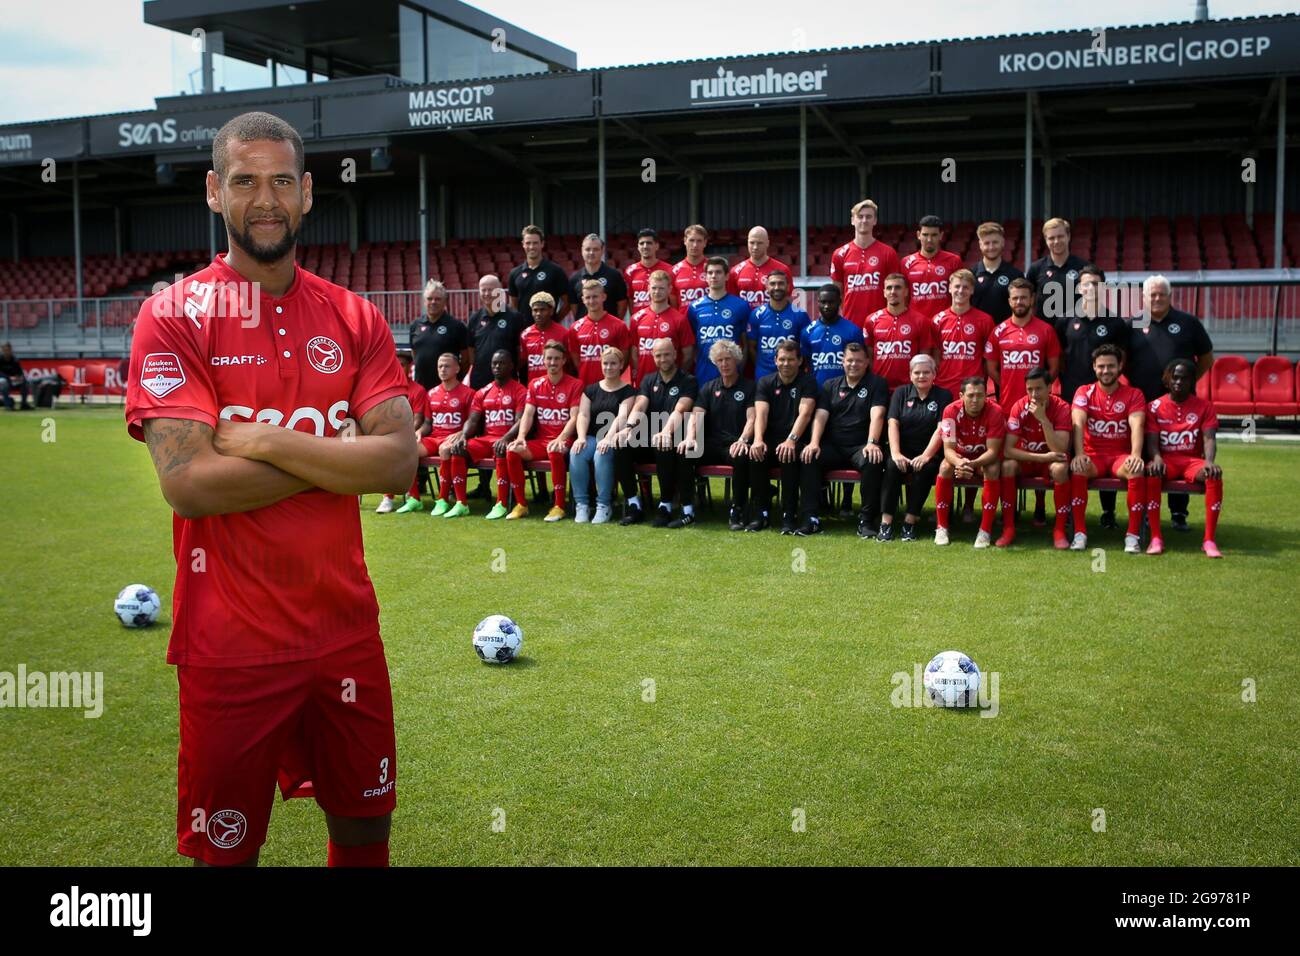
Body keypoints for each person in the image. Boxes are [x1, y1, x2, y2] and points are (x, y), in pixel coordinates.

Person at [125, 111, 412, 867]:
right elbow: (190, 484)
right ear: (214, 192)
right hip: (229, 646)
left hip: (346, 633)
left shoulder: (354, 316)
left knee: (363, 831)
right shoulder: (172, 316)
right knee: (227, 853)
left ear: (308, 193)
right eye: (245, 181)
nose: (265, 199)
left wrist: (272, 440)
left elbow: (396, 465)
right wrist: (334, 454)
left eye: (281, 181)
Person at [1127, 274, 1215, 533]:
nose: (1156, 299)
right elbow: (1123, 359)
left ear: (1169, 296)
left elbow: (1207, 358)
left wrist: (1186, 383)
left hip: (1180, 403)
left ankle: (1178, 513)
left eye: (1160, 294)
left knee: (1181, 453)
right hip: (1143, 404)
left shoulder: (1187, 323)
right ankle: (1143, 511)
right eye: (1151, 294)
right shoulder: (1133, 323)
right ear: (1143, 297)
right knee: (1145, 457)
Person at [1055, 265, 1131, 530]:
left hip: (1104, 397)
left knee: (1105, 449)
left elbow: (1121, 359)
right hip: (1070, 396)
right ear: (1079, 288)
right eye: (1086, 284)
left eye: (1096, 285)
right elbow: (1059, 357)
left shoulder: (1115, 323)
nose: (1090, 289)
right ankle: (1065, 514)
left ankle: (1108, 511)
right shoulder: (1065, 320)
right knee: (1070, 457)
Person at [986, 276, 1060, 527]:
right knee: (1009, 460)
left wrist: (1039, 392)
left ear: (1032, 300)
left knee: (1040, 450)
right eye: (1015, 297)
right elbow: (993, 368)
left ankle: (1040, 505)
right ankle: (1007, 511)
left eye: (1024, 297)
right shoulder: (999, 331)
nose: (1019, 301)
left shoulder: (1045, 330)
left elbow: (1053, 368)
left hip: (1039, 404)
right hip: (1009, 406)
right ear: (1009, 300)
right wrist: (1009, 383)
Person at [799, 341, 889, 537]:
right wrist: (814, 442)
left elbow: (878, 415)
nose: (853, 364)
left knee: (873, 460)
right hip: (834, 446)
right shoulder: (830, 385)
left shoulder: (877, 384)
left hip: (860, 446)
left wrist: (872, 442)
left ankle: (866, 521)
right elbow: (820, 416)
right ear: (842, 361)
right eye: (849, 360)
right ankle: (811, 519)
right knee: (809, 456)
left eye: (858, 361)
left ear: (867, 362)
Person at [1069, 344, 1147, 554]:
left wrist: (1136, 455)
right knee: (1078, 468)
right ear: (1094, 367)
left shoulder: (1134, 394)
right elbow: (1078, 422)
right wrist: (1079, 454)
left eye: (1111, 366)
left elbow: (1137, 425)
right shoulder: (1084, 391)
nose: (1106, 371)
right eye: (1101, 366)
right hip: (1092, 456)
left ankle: (1132, 536)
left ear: (1120, 366)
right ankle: (1079, 533)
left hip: (1119, 457)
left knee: (1136, 469)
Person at [1144, 357, 1223, 558]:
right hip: (1167, 461)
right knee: (1152, 473)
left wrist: (1209, 462)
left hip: (1191, 462)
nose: (1179, 382)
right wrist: (1156, 458)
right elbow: (1152, 439)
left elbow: (1209, 438)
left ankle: (1209, 540)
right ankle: (1156, 537)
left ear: (1192, 381)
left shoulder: (1205, 407)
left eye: (1185, 379)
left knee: (1213, 476)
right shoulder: (1153, 407)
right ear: (1167, 380)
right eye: (1175, 378)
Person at [622, 338, 699, 528]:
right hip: (650, 435)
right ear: (653, 357)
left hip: (676, 435)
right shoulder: (648, 379)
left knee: (664, 444)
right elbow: (640, 405)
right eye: (658, 355)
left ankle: (665, 505)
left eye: (666, 354)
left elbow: (680, 410)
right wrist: (628, 428)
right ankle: (634, 505)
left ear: (675, 354)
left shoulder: (688, 380)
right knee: (621, 445)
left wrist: (665, 431)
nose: (662, 359)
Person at [505, 341, 581, 521]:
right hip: (541, 441)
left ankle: (559, 506)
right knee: (512, 450)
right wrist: (521, 437)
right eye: (549, 358)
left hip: (565, 440)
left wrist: (561, 438)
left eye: (556, 359)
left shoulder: (575, 384)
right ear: (543, 360)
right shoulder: (535, 384)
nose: (552, 362)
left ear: (563, 361)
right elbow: (529, 413)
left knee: (554, 449)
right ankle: (521, 504)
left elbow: (575, 417)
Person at [750, 339, 817, 533]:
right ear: (775, 360)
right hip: (770, 438)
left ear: (800, 360)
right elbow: (760, 413)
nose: (786, 363)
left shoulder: (808, 382)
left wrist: (791, 440)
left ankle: (789, 513)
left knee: (787, 455)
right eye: (782, 359)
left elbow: (805, 413)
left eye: (790, 359)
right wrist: (758, 440)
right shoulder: (765, 382)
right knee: (756, 455)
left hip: (796, 439)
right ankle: (761, 511)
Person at [688, 339, 757, 531]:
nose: (724, 364)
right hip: (711, 444)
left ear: (737, 361)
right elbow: (697, 416)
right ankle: (687, 508)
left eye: (728, 359)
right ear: (714, 363)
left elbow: (753, 418)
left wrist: (743, 440)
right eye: (720, 360)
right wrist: (691, 438)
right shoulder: (709, 387)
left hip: (734, 443)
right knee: (685, 452)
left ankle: (738, 509)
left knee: (742, 456)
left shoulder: (749, 387)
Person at [1003, 367, 1074, 549]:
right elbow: (1008, 451)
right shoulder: (1019, 407)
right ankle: (1009, 528)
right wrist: (1042, 458)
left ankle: (1059, 530)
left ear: (1050, 387)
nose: (1034, 395)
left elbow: (1060, 449)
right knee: (1008, 466)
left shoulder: (1062, 408)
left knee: (1060, 468)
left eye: (1039, 389)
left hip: (1050, 460)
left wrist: (1043, 419)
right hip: (1028, 459)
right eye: (1029, 389)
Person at [882, 355, 949, 541]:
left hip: (929, 452)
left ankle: (909, 522)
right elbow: (892, 423)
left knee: (925, 469)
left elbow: (941, 428)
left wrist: (926, 455)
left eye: (926, 372)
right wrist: (896, 453)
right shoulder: (900, 393)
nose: (921, 376)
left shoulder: (943, 395)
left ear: (934, 374)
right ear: (910, 375)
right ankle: (886, 523)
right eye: (917, 372)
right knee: (892, 467)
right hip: (902, 449)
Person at [934, 378, 1007, 549]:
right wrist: (960, 463)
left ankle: (985, 530)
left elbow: (993, 452)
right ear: (961, 396)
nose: (975, 400)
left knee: (993, 468)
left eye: (980, 395)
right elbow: (948, 450)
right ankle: (941, 527)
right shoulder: (949, 411)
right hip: (959, 458)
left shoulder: (995, 411)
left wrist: (971, 464)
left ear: (986, 396)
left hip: (982, 459)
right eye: (971, 395)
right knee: (944, 467)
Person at [569, 346, 638, 525]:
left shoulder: (628, 391)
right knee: (577, 452)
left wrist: (608, 437)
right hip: (591, 437)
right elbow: (583, 415)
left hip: (612, 438)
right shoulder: (590, 390)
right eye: (605, 363)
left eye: (613, 363)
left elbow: (622, 416)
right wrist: (581, 437)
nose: (609, 367)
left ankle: (604, 504)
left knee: (603, 452)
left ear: (621, 364)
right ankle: (582, 504)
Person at [460, 350, 529, 520]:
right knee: (458, 449)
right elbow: (473, 420)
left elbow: (521, 420)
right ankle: (461, 503)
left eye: (502, 363)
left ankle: (502, 502)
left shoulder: (520, 390)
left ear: (511, 366)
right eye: (494, 363)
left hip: (508, 439)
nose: (497, 366)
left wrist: (506, 438)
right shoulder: (483, 391)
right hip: (486, 439)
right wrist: (463, 436)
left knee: (501, 448)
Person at [418, 352, 477, 517]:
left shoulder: (468, 393)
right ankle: (414, 498)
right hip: (434, 437)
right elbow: (428, 424)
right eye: (440, 366)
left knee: (445, 449)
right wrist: (419, 432)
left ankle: (442, 499)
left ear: (457, 368)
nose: (443, 369)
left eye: (447, 366)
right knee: (409, 450)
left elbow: (473, 423)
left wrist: (461, 433)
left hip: (454, 438)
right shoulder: (431, 393)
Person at [830, 199, 900, 329]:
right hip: (850, 323)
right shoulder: (839, 254)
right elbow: (837, 292)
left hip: (881, 324)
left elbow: (895, 290)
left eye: (868, 217)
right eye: (860, 216)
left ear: (875, 220)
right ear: (852, 220)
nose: (864, 220)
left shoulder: (888, 253)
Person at [376, 350, 430, 514]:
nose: (399, 368)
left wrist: (402, 435)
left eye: (403, 365)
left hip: (409, 436)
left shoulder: (418, 390)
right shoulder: (387, 389)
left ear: (410, 367)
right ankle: (387, 496)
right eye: (396, 365)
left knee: (398, 450)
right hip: (390, 435)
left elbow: (418, 419)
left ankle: (394, 497)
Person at [865, 272, 936, 391]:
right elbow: (870, 357)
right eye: (889, 288)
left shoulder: (921, 321)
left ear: (906, 292)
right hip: (880, 387)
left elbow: (924, 357)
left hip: (909, 388)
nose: (893, 291)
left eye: (897, 287)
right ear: (884, 292)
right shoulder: (871, 320)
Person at [687, 256, 750, 385]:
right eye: (710, 273)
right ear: (705, 277)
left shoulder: (741, 305)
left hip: (732, 376)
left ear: (727, 276)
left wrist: (740, 367)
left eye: (718, 272)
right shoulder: (694, 307)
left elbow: (746, 344)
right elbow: (692, 345)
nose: (714, 276)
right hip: (703, 374)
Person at [932, 269, 994, 396]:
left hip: (973, 390)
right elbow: (936, 357)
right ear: (949, 288)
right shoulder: (938, 320)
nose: (960, 291)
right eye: (957, 286)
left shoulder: (985, 320)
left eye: (965, 287)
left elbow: (988, 360)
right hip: (943, 389)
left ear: (972, 290)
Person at [630, 269, 693, 387]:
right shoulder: (636, 318)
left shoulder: (680, 319)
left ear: (669, 290)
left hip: (672, 384)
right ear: (648, 289)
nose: (657, 292)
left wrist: (677, 377)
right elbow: (634, 354)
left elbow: (688, 355)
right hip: (644, 383)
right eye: (654, 288)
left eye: (661, 288)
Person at [465, 274, 528, 390]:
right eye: (483, 290)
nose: (487, 293)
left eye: (490, 290)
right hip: (480, 383)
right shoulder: (474, 318)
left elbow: (522, 353)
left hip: (507, 383)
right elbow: (471, 352)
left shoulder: (514, 317)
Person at [746, 269, 810, 381]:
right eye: (772, 284)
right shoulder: (756, 314)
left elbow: (806, 348)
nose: (776, 287)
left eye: (781, 283)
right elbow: (751, 346)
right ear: (766, 287)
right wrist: (763, 366)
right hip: (764, 377)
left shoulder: (800, 315)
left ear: (788, 286)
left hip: (792, 377)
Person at [1026, 217, 1091, 324]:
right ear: (1046, 240)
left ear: (1068, 236)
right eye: (1051, 238)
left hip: (1074, 331)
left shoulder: (1083, 268)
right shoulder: (1036, 269)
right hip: (1045, 332)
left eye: (1060, 236)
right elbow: (1028, 302)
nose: (1056, 241)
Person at [570, 279, 633, 386]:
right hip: (586, 387)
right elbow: (576, 360)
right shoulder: (575, 328)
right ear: (583, 300)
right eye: (588, 297)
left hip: (612, 387)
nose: (591, 301)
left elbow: (625, 358)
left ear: (603, 297)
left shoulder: (619, 325)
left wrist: (613, 376)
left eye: (595, 296)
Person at [800, 284, 865, 389]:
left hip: (845, 392)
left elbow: (861, 365)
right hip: (817, 392)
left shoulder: (853, 331)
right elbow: (804, 365)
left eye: (831, 302)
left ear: (839, 302)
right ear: (818, 303)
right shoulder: (807, 332)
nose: (826, 306)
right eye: (823, 302)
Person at [901, 215, 964, 319]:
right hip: (916, 324)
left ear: (941, 235)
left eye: (934, 235)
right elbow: (903, 297)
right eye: (925, 235)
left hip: (946, 323)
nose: (929, 239)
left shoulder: (954, 261)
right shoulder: (906, 263)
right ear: (918, 235)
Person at [409, 279, 468, 389]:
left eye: (438, 299)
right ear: (424, 301)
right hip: (421, 388)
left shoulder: (457, 326)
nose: (433, 302)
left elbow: (465, 360)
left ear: (445, 302)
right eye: (429, 299)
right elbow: (415, 354)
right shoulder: (415, 326)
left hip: (449, 389)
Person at [507, 225, 570, 321]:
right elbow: (513, 305)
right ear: (523, 244)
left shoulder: (555, 271)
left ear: (542, 244)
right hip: (524, 331)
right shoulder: (514, 273)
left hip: (548, 330)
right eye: (528, 243)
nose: (531, 247)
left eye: (535, 243)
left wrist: (555, 321)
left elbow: (567, 303)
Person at [969, 221, 1023, 323]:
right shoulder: (971, 275)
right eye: (986, 243)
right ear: (980, 245)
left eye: (995, 242)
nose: (991, 247)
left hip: (1006, 335)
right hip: (978, 334)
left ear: (1002, 242)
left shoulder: (1015, 275)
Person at [727, 226, 792, 309]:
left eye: (759, 243)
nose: (755, 247)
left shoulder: (782, 270)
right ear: (747, 243)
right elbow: (732, 303)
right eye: (752, 243)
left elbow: (789, 299)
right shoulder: (735, 271)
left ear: (767, 243)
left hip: (771, 321)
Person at [518, 292, 575, 382]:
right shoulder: (525, 335)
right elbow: (522, 364)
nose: (538, 314)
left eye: (542, 310)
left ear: (551, 311)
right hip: (535, 389)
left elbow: (571, 364)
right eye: (535, 310)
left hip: (560, 387)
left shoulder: (564, 333)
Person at [569, 233, 628, 321]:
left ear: (602, 250)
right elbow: (575, 308)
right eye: (588, 249)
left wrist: (614, 325)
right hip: (585, 331)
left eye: (595, 249)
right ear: (582, 251)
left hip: (610, 330)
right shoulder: (574, 279)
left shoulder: (614, 276)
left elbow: (622, 305)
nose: (591, 253)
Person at [624, 228, 677, 313]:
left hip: (664, 321)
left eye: (649, 243)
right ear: (638, 247)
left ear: (657, 246)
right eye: (642, 243)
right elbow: (630, 299)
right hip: (641, 322)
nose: (645, 246)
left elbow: (673, 299)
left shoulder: (669, 269)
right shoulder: (630, 271)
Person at [672, 224, 711, 309]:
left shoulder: (713, 268)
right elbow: (673, 305)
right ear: (685, 241)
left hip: (709, 321)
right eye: (691, 240)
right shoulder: (674, 271)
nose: (695, 245)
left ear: (705, 243)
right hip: (684, 321)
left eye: (699, 241)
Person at [0, 343, 31, 410]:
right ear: (2, 350)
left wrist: (19, 377)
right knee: (3, 382)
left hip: (13, 381)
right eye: (5, 350)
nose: (7, 351)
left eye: (8, 350)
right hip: (3, 380)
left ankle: (24, 404)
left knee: (25, 382)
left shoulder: (15, 360)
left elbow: (20, 372)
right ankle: (8, 405)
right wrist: (8, 377)